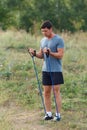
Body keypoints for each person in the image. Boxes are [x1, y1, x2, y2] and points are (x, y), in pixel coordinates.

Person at [29, 20, 64, 121]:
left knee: (56, 92)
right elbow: (41, 55)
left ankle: (58, 115)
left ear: (50, 29)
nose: (44, 33)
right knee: (46, 92)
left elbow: (60, 55)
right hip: (45, 70)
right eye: (42, 31)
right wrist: (34, 53)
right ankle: (48, 114)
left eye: (46, 31)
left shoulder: (59, 40)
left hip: (56, 70)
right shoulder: (43, 40)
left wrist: (50, 52)